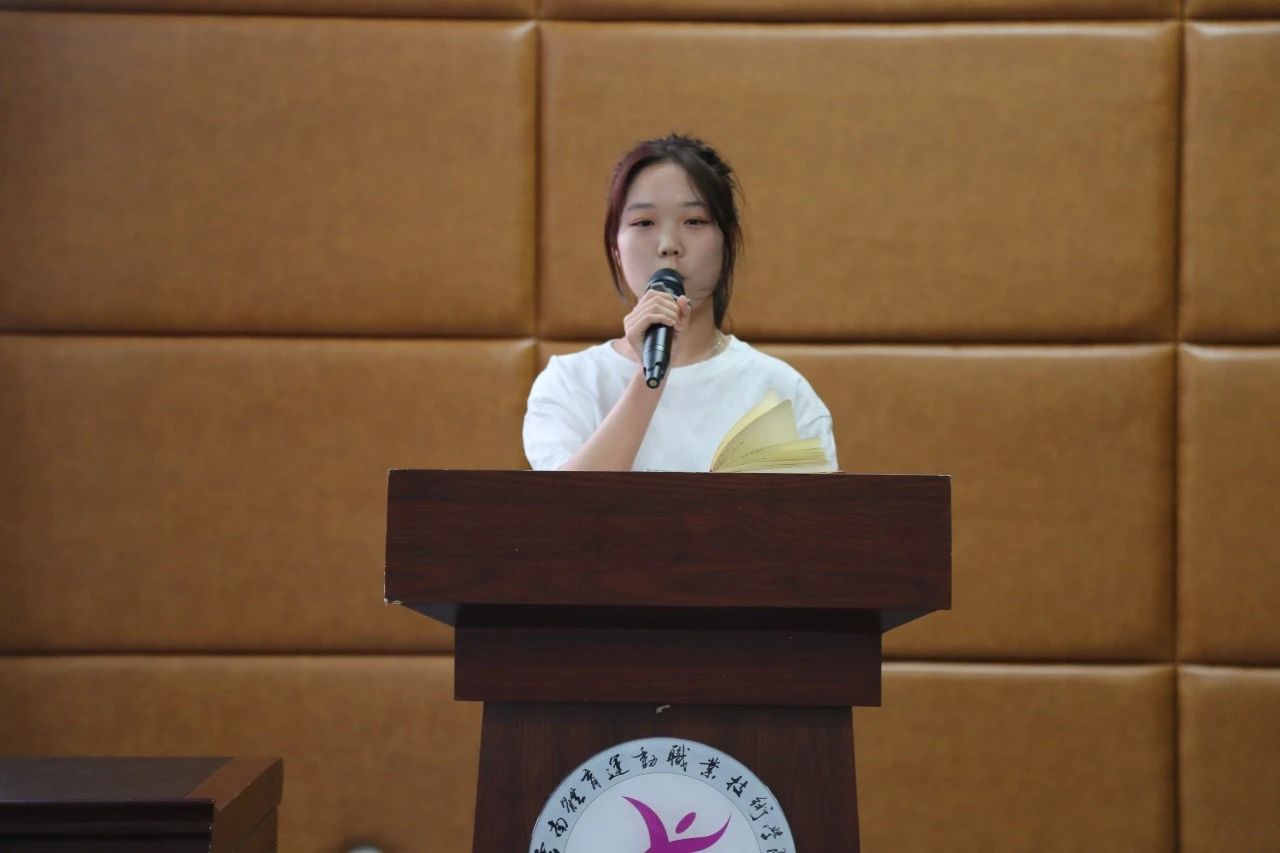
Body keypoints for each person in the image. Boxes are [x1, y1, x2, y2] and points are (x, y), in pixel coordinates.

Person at [523, 133, 837, 472]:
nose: (668, 245)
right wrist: (649, 377)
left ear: (727, 245)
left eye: (694, 222)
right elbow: (567, 503)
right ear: (616, 251)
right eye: (644, 222)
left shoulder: (780, 391)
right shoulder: (571, 383)